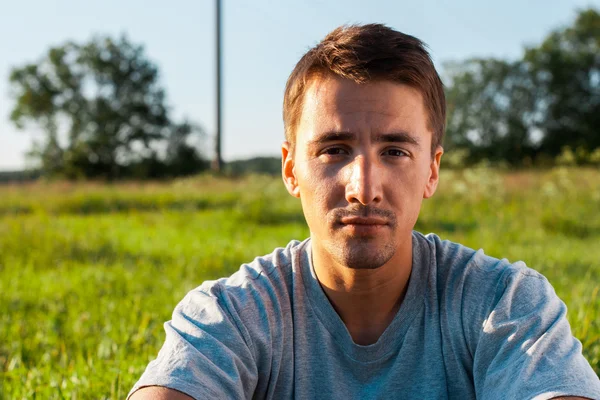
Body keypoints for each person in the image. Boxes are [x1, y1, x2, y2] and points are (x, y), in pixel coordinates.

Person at [129, 24, 600, 400]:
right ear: (291, 170)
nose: (364, 188)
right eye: (334, 150)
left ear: (432, 172)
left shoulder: (504, 304)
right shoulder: (231, 315)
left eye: (395, 152)